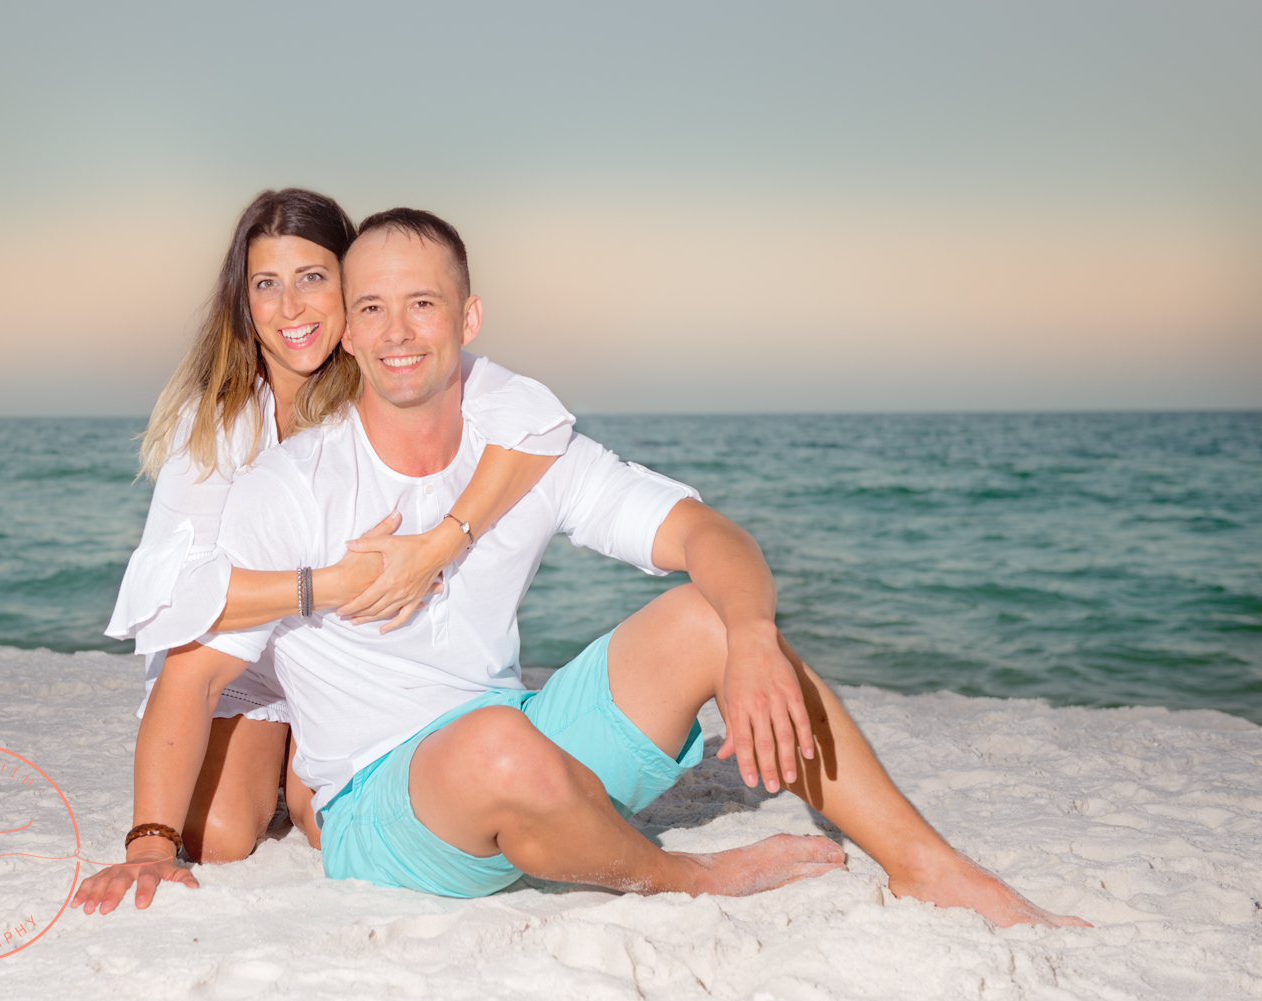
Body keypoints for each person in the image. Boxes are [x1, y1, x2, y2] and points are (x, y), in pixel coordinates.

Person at [82, 207, 1089, 928]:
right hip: (383, 808)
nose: (398, 332)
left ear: (468, 319)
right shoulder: (288, 483)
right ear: (345, 328)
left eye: (423, 304)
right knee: (488, 742)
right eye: (374, 307)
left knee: (705, 617)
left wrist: (749, 635)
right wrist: (145, 844)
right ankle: (682, 879)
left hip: (517, 739)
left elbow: (705, 533)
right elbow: (192, 673)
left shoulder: (526, 445)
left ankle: (926, 863)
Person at [94, 189, 574, 892]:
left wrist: (444, 541)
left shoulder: (385, 373)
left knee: (327, 820)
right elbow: (182, 603)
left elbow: (534, 417)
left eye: (313, 279)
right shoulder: (219, 419)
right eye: (267, 284)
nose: (290, 307)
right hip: (240, 655)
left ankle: (302, 759)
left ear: (351, 292)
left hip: (347, 652)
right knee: (220, 837)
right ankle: (271, 748)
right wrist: (149, 845)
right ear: (244, 301)